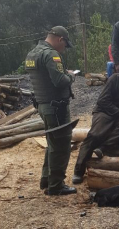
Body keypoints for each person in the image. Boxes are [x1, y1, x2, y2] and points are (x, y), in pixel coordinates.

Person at [25, 26, 77, 196]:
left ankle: (46, 179)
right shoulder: (51, 55)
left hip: (43, 105)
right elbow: (60, 81)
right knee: (61, 145)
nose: (64, 49)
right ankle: (56, 185)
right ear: (59, 39)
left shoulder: (33, 53)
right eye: (65, 45)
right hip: (56, 107)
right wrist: (71, 75)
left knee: (52, 143)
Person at [72, 56, 119, 184]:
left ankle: (103, 147)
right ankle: (78, 170)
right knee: (95, 135)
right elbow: (102, 101)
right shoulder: (115, 79)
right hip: (105, 112)